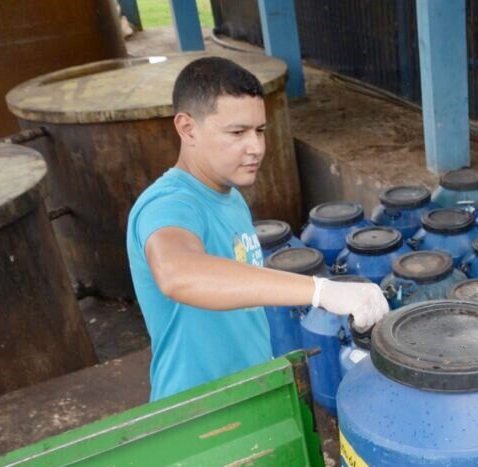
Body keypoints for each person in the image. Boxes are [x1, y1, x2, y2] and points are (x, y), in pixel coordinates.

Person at [126, 57, 387, 401]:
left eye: (260, 130)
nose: (257, 148)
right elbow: (178, 273)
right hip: (197, 411)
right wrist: (320, 290)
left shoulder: (229, 195)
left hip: (249, 393)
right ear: (187, 128)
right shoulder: (169, 204)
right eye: (237, 132)